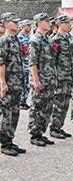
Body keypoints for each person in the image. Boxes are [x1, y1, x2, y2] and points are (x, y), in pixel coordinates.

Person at [0, 12, 27, 156]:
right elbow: (0, 63)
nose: (17, 24)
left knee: (14, 114)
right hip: (8, 84)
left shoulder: (15, 39)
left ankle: (10, 140)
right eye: (14, 22)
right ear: (7, 24)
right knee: (6, 114)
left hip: (17, 84)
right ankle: (4, 143)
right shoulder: (4, 40)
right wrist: (2, 83)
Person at [28, 13, 57, 147]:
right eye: (46, 21)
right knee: (37, 107)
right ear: (39, 23)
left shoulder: (46, 39)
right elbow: (33, 62)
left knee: (47, 107)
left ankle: (41, 132)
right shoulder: (35, 40)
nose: (49, 23)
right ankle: (35, 134)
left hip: (49, 79)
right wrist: (36, 80)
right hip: (40, 80)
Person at [49, 15, 73, 139]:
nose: (69, 25)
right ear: (60, 24)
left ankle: (59, 126)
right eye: (67, 23)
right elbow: (51, 61)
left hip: (69, 76)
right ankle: (54, 128)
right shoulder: (55, 40)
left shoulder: (69, 38)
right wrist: (55, 77)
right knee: (59, 102)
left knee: (65, 103)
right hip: (60, 77)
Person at [18, 20, 32, 110]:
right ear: (23, 26)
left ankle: (24, 101)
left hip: (28, 64)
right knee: (23, 84)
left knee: (27, 84)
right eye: (28, 25)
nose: (30, 27)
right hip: (23, 64)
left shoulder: (28, 37)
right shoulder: (20, 37)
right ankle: (21, 101)